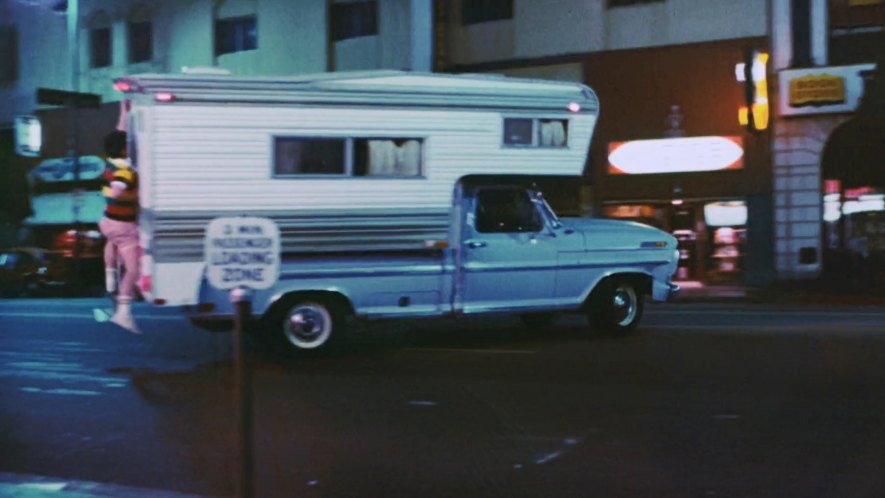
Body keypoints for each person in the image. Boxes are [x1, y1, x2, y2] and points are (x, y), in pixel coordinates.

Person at [98, 130, 141, 334]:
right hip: (124, 226)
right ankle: (123, 313)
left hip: (108, 221)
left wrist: (125, 110)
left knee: (111, 242)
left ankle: (110, 281)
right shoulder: (124, 169)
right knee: (133, 269)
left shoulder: (109, 163)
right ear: (124, 148)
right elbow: (116, 190)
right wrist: (124, 193)